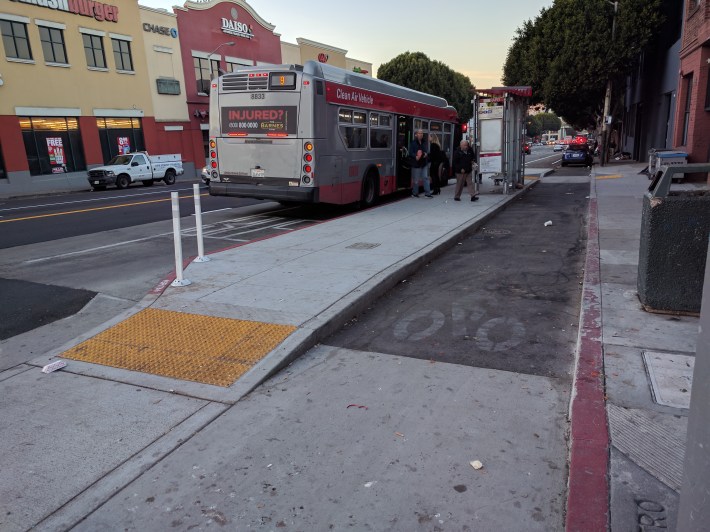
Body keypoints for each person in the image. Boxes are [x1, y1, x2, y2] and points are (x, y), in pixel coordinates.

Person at [408, 129, 432, 198]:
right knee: (416, 180)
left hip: (424, 163)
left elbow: (426, 151)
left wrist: (425, 154)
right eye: (419, 133)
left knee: (425, 178)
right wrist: (415, 156)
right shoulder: (413, 143)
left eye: (422, 133)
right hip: (416, 164)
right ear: (416, 134)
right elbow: (410, 152)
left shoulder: (424, 142)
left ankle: (428, 194)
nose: (421, 134)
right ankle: (415, 193)